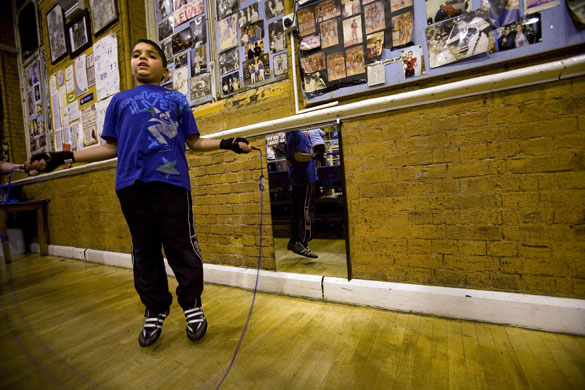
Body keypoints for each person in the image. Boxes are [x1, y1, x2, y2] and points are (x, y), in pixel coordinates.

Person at [28, 39, 252, 348]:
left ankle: (191, 304)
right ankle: (155, 308)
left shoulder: (177, 99)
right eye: (136, 55)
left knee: (182, 247)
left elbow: (195, 142)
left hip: (172, 185)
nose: (142, 59)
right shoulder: (120, 101)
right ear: (131, 64)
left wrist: (228, 143)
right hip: (131, 186)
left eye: (150, 55)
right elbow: (111, 147)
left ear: (164, 68)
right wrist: (61, 157)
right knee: (144, 251)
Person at [284, 130, 318, 259]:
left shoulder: (289, 134)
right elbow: (298, 155)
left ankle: (293, 241)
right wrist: (313, 157)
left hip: (297, 178)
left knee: (297, 211)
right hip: (306, 178)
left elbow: (288, 160)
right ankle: (302, 243)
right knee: (306, 211)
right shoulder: (297, 134)